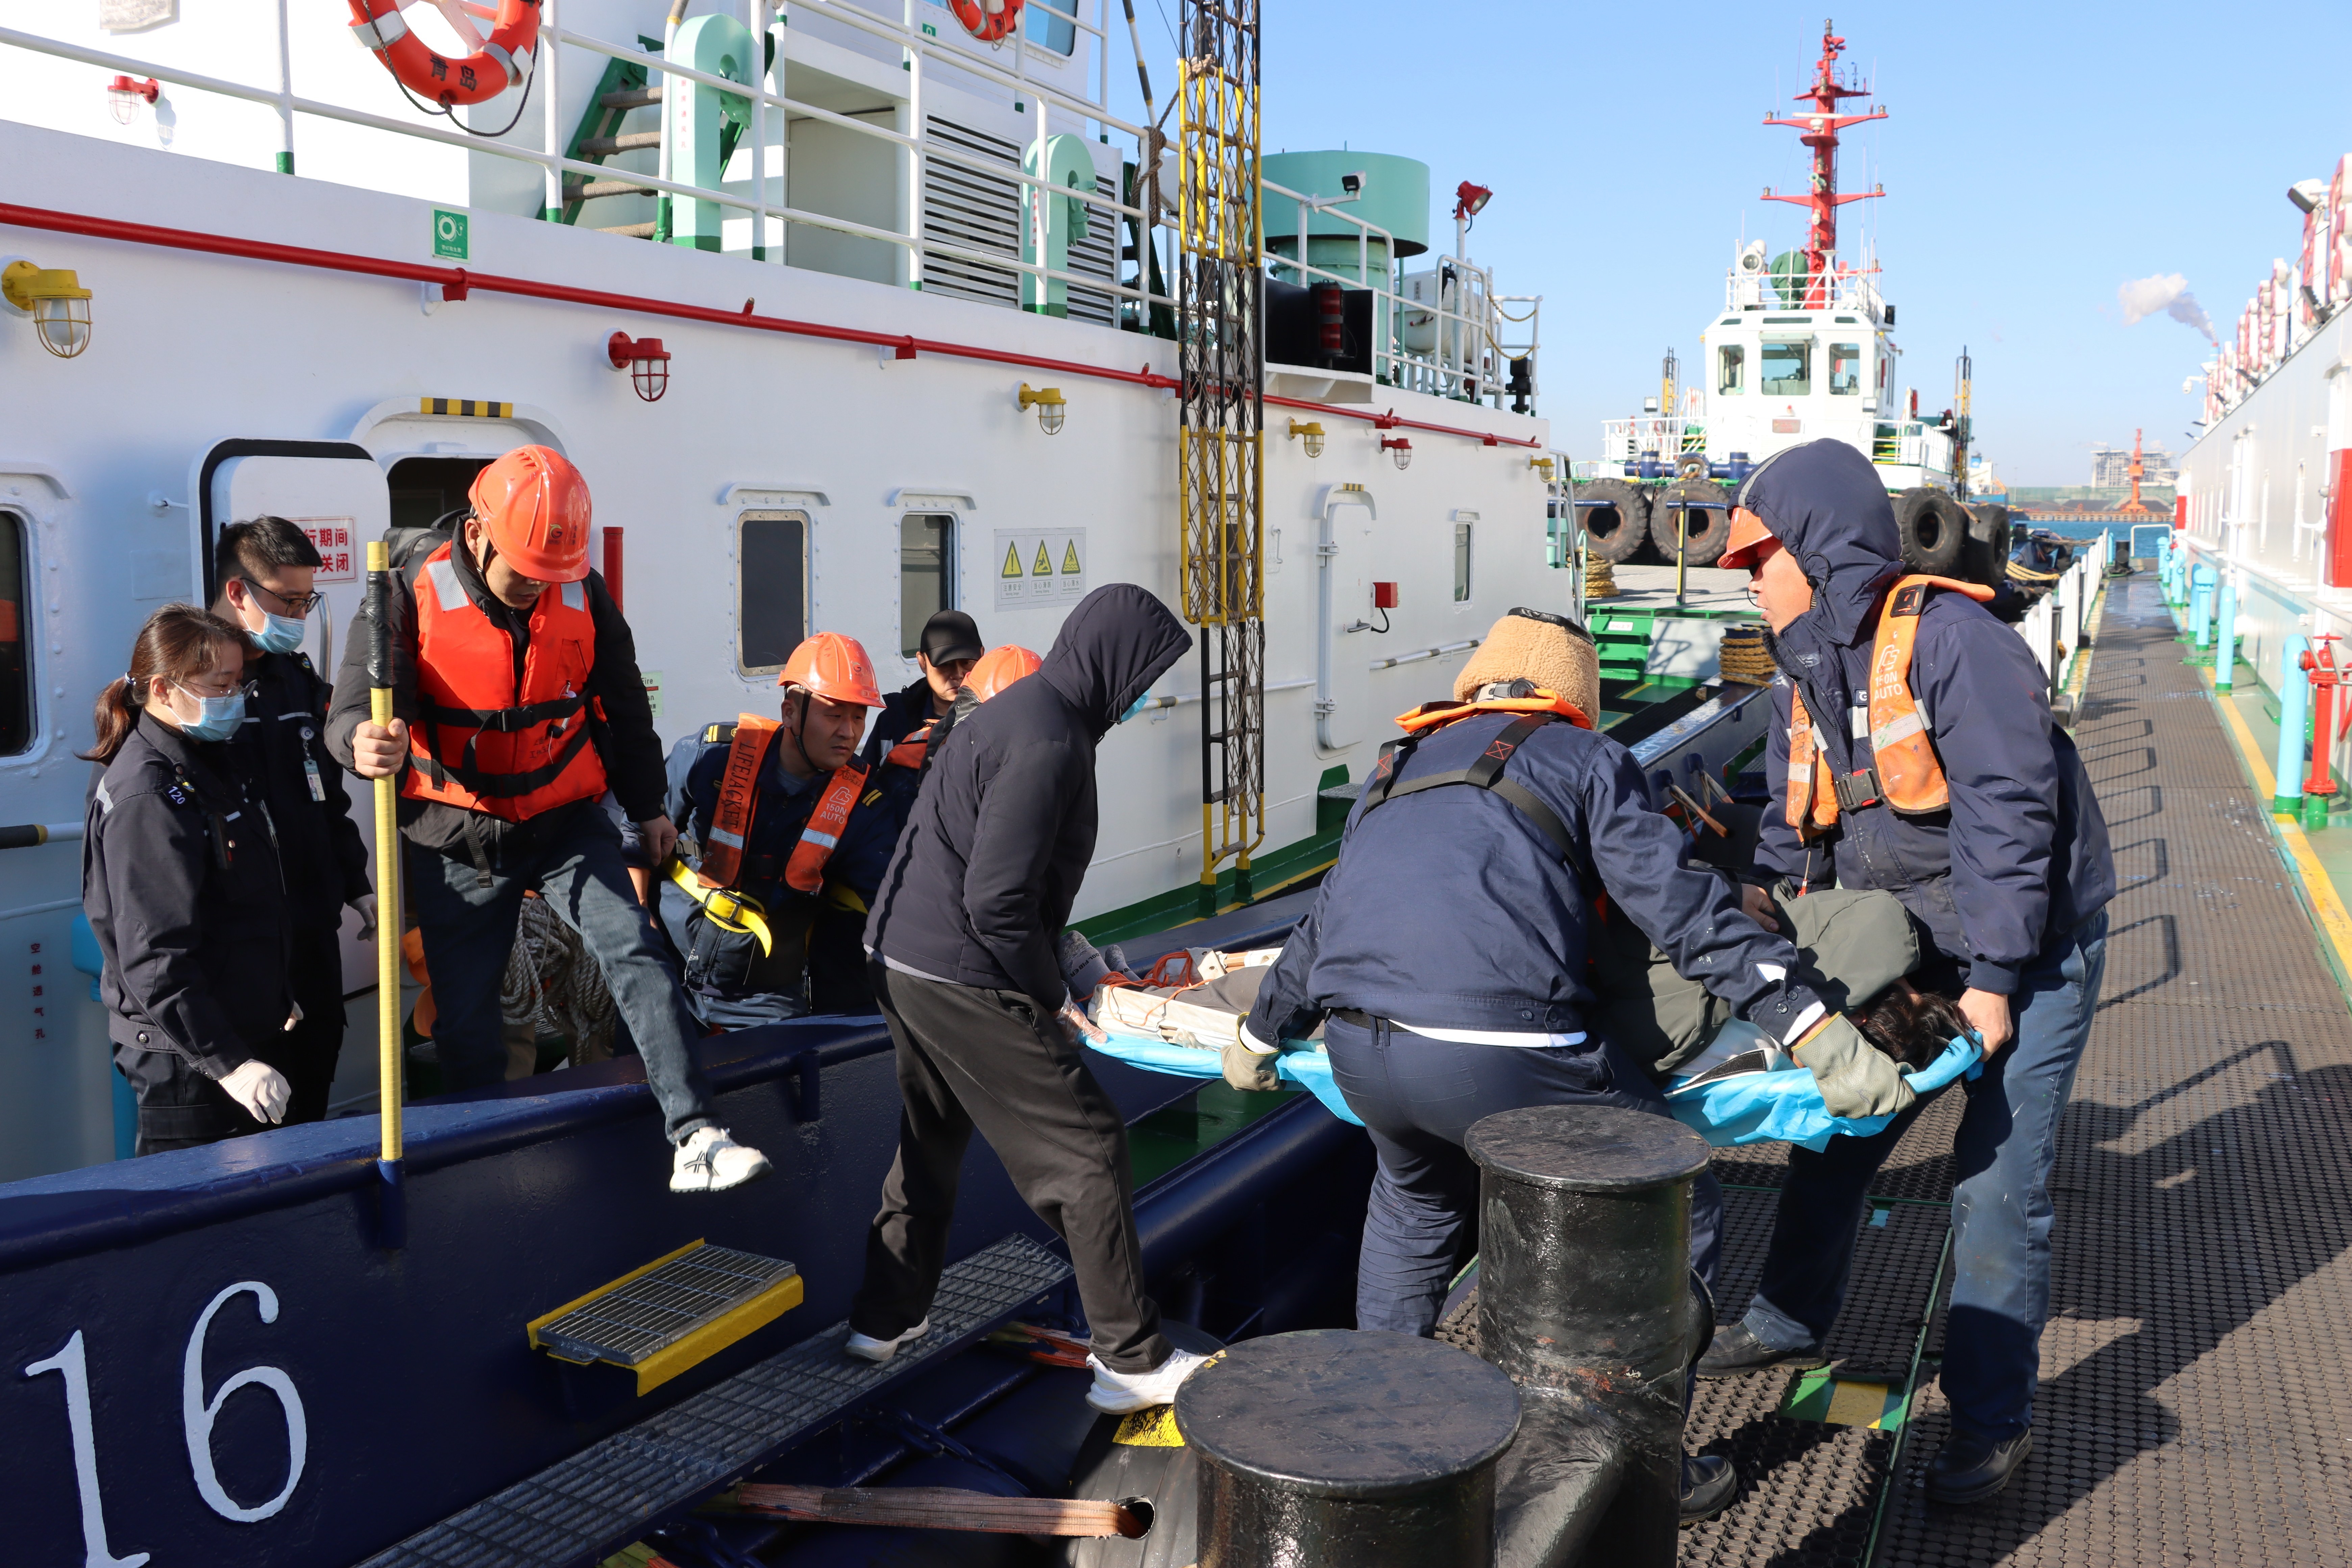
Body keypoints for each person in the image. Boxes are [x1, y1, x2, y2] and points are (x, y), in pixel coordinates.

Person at [1233, 604, 1911, 1524]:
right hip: (1505, 1056)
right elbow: (1684, 915)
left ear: (1475, 689)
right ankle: (1641, 1464)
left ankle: (1379, 1449)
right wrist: (1810, 1028)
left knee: (1415, 1203)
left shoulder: (1392, 772)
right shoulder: (1589, 760)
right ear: (1574, 702)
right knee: (1670, 1194)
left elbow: (1320, 930)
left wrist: (1260, 1034)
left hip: (1363, 1051)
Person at [1699, 438, 2114, 1506]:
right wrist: (1770, 911)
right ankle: (1787, 1318)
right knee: (1837, 1125)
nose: (1748, 581)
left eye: (1758, 559)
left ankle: (1990, 1421)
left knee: (1994, 1183)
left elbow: (2011, 813)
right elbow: (1805, 831)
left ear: (1816, 548)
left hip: (2029, 942)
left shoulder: (1954, 639)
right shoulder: (1809, 661)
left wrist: (1993, 982)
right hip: (1912, 930)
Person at [327, 444, 770, 1194]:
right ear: (478, 534)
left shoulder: (584, 594)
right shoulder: (405, 595)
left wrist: (649, 809)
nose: (537, 588)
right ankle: (479, 1166)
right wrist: (362, 741)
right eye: (523, 571)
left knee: (635, 948)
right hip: (454, 833)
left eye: (551, 575)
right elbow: (349, 714)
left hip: (563, 817)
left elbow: (625, 707)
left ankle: (694, 1134)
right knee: (469, 1019)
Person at [848, 584, 1196, 1415]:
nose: (1146, 692)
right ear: (1115, 660)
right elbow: (998, 903)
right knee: (1086, 1145)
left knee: (932, 1136)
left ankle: (885, 1316)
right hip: (958, 968)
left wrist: (1071, 966)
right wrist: (1051, 997)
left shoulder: (1022, 714)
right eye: (1147, 673)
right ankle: (1128, 1356)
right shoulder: (1051, 740)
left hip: (899, 955)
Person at [82, 605, 299, 1153]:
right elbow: (156, 956)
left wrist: (273, 993)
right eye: (220, 685)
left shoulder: (206, 761)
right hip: (188, 1062)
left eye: (238, 683)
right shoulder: (149, 794)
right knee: (202, 1225)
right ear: (162, 688)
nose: (234, 697)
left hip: (233, 1030)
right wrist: (229, 1063)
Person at [212, 517, 374, 1124]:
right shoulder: (198, 692)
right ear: (238, 593)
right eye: (289, 600)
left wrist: (357, 885)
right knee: (252, 1109)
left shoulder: (294, 680)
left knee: (317, 1061)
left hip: (310, 928)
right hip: (242, 945)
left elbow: (325, 798)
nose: (301, 614)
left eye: (309, 600)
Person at [672, 632, 898, 1021]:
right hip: (668, 969)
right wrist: (642, 931)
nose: (849, 732)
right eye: (834, 714)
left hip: (763, 995)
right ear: (790, 711)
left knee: (793, 1078)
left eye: (859, 716)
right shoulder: (712, 758)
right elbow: (639, 831)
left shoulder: (863, 808)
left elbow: (894, 901)